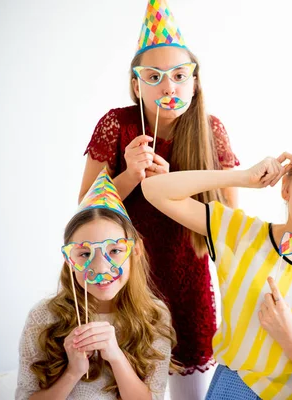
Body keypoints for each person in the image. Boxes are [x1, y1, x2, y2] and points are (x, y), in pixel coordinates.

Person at [79, 1, 239, 397]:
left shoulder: (210, 130)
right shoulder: (117, 125)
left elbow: (231, 222)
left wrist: (174, 187)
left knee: (192, 390)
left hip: (188, 278)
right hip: (127, 281)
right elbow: (85, 210)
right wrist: (130, 175)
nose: (169, 87)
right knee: (128, 384)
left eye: (179, 76)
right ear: (137, 84)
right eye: (154, 77)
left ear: (194, 81)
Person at [141, 143, 292, 400]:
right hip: (231, 392)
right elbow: (153, 190)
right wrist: (242, 178)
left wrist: (289, 339)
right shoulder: (242, 233)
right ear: (286, 188)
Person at [16, 169, 175, 399]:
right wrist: (73, 372)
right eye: (84, 254)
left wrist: (115, 355)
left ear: (135, 251)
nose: (101, 268)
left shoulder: (154, 316)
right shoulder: (43, 317)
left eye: (115, 250)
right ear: (69, 260)